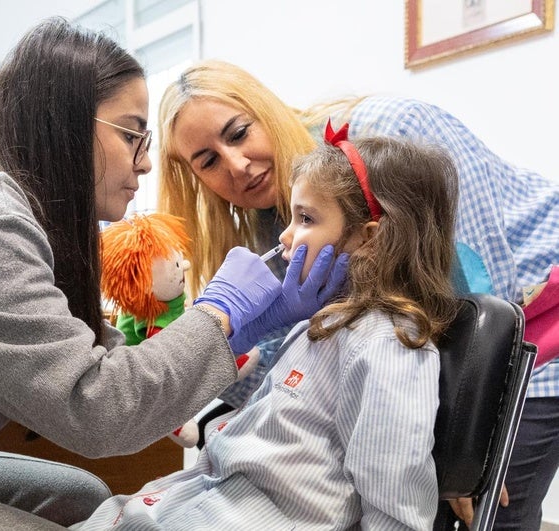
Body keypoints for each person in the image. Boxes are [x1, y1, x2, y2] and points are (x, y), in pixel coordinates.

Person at [0, 21, 341, 531]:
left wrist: (240, 329)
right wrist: (220, 310)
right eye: (133, 135)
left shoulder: (24, 221)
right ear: (65, 127)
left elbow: (107, 363)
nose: (146, 163)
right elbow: (97, 409)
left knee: (83, 498)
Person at [157, 59, 559, 528]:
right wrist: (205, 364)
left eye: (239, 133)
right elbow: (282, 362)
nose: (238, 165)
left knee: (480, 501)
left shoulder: (397, 132)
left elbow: (482, 287)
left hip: (531, 319)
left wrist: (476, 434)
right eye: (208, 162)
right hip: (437, 335)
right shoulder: (278, 224)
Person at [72, 125, 461, 530]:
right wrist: (238, 327)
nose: (285, 235)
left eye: (306, 218)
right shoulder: (321, 326)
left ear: (369, 241)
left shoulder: (386, 346)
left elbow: (394, 509)